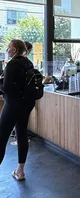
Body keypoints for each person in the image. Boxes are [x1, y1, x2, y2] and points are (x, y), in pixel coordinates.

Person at [0, 39, 36, 181]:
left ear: (14, 49)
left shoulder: (12, 64)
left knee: (1, 137)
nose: (7, 50)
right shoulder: (28, 63)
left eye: (9, 47)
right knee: (22, 134)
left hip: (13, 104)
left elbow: (7, 88)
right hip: (26, 104)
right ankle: (20, 171)